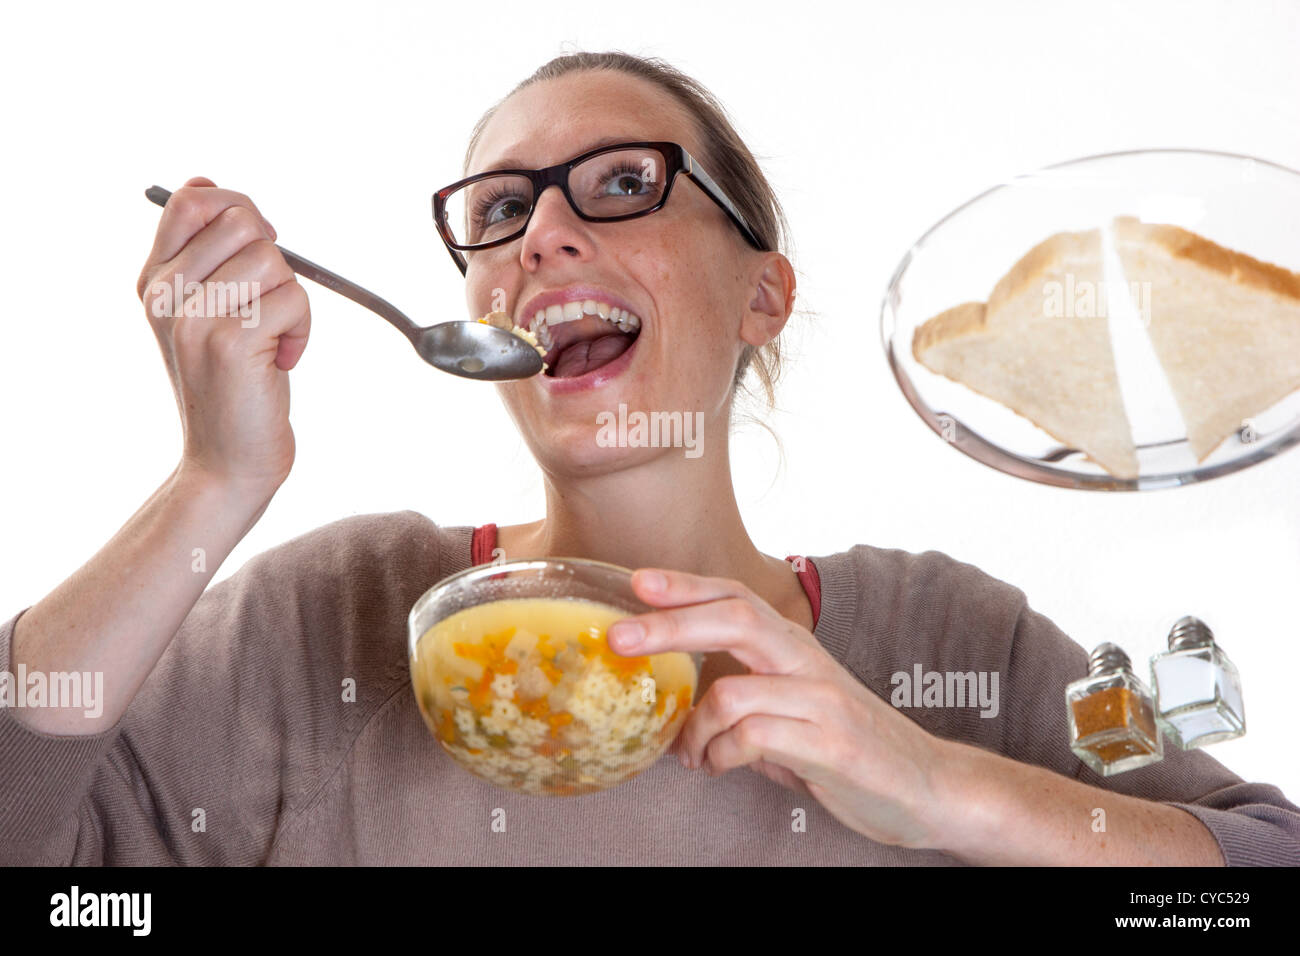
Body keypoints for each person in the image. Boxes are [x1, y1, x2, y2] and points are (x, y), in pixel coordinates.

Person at [2, 50, 1297, 866]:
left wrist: (938, 785)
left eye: (621, 183)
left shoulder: (954, 635)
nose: (545, 232)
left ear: (764, 295)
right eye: (502, 210)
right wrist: (209, 485)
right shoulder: (326, 618)